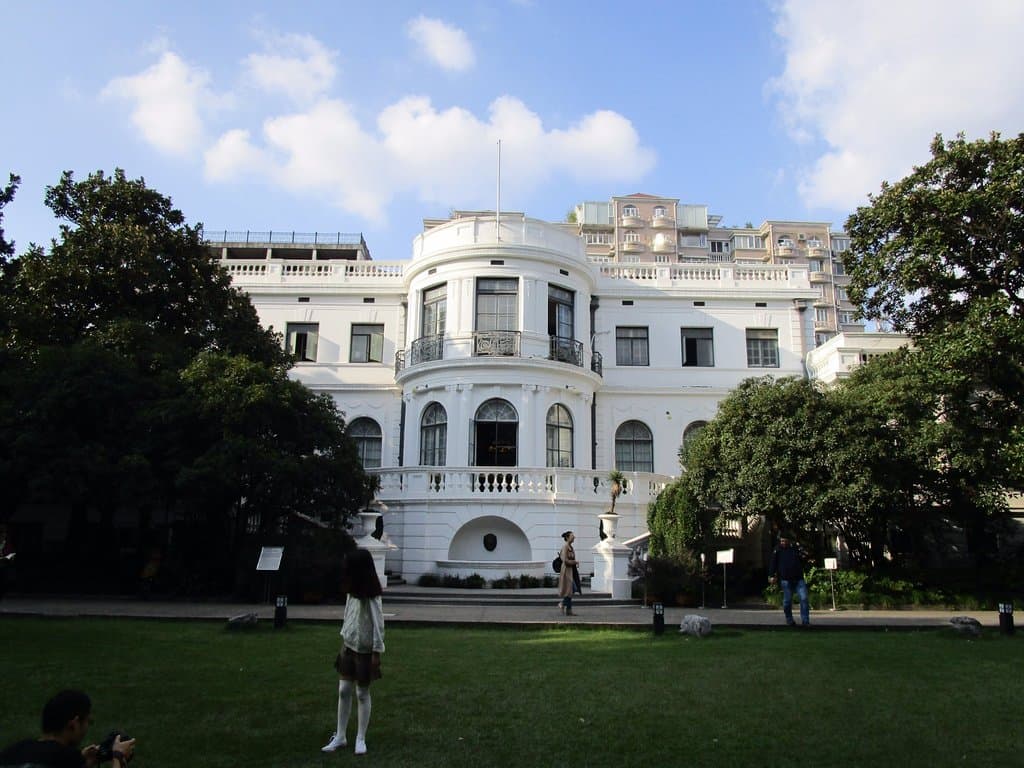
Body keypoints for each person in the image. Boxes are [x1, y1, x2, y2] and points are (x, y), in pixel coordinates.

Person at [322, 548, 385, 756]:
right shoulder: (351, 591)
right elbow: (348, 613)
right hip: (348, 644)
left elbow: (378, 624)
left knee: (362, 692)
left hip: (366, 649)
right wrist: (344, 635)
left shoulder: (372, 596)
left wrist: (377, 651)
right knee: (343, 690)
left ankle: (360, 737)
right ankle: (340, 736)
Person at [0, 689, 136, 768]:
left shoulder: (12, 751)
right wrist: (118, 758)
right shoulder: (66, 757)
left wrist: (83, 763)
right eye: (88, 721)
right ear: (74, 724)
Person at [768, 532, 810, 627]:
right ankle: (789, 619)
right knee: (787, 601)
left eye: (784, 541)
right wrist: (771, 575)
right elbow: (773, 563)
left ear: (788, 541)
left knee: (804, 598)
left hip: (798, 578)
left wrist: (803, 552)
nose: (782, 542)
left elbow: (805, 557)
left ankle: (805, 620)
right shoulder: (777, 550)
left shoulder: (795, 548)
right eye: (781, 540)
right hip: (785, 579)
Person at [557, 530, 580, 616]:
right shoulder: (565, 547)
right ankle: (562, 604)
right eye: (572, 536)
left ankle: (568, 610)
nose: (574, 537)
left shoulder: (571, 547)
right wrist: (575, 562)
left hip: (571, 571)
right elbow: (564, 560)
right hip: (566, 571)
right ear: (567, 538)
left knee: (570, 590)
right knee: (571, 589)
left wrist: (574, 563)